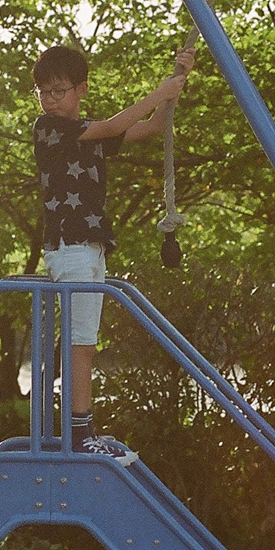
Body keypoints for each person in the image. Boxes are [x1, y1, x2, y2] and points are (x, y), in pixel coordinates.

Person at [31, 40, 195, 457]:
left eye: (59, 91)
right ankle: (80, 434)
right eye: (43, 92)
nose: (50, 100)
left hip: (90, 248)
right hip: (70, 247)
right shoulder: (50, 129)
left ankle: (83, 431)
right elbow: (111, 126)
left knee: (85, 342)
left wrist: (178, 80)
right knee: (80, 343)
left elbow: (153, 126)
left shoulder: (87, 135)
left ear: (81, 89)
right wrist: (158, 91)